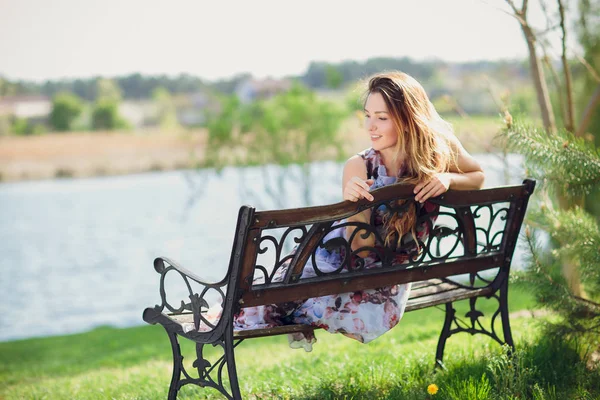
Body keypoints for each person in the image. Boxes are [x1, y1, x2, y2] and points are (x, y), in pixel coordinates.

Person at [194, 71, 485, 351]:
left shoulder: (437, 152)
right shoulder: (360, 167)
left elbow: (477, 176)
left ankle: (223, 317)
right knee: (277, 292)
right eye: (367, 116)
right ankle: (230, 313)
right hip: (359, 274)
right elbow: (357, 247)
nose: (370, 126)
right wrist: (354, 205)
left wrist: (447, 178)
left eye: (381, 118)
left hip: (377, 287)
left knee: (274, 296)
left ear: (409, 120)